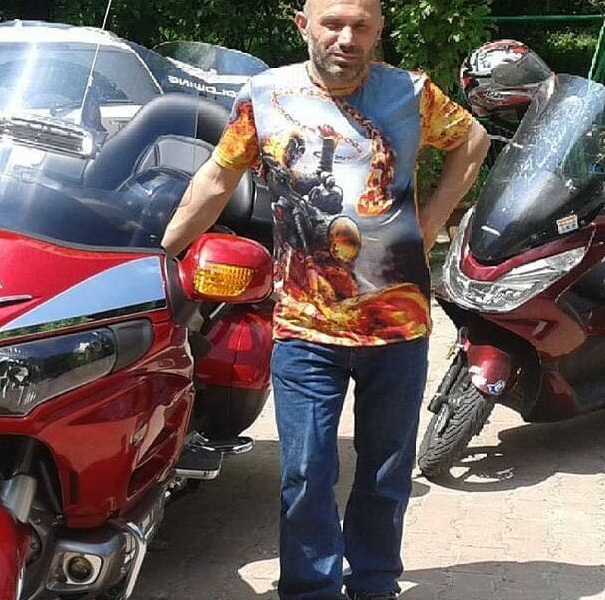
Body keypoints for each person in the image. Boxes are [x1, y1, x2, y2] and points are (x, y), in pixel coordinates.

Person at [161, 0, 490, 598]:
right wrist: (161, 252)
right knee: (306, 469)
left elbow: (472, 140)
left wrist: (432, 222)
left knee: (386, 468)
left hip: (397, 324)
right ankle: (310, 589)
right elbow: (217, 176)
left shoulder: (411, 93)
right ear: (303, 25)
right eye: (332, 23)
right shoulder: (265, 96)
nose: (346, 37)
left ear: (378, 29)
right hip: (303, 323)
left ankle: (374, 583)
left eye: (361, 25)